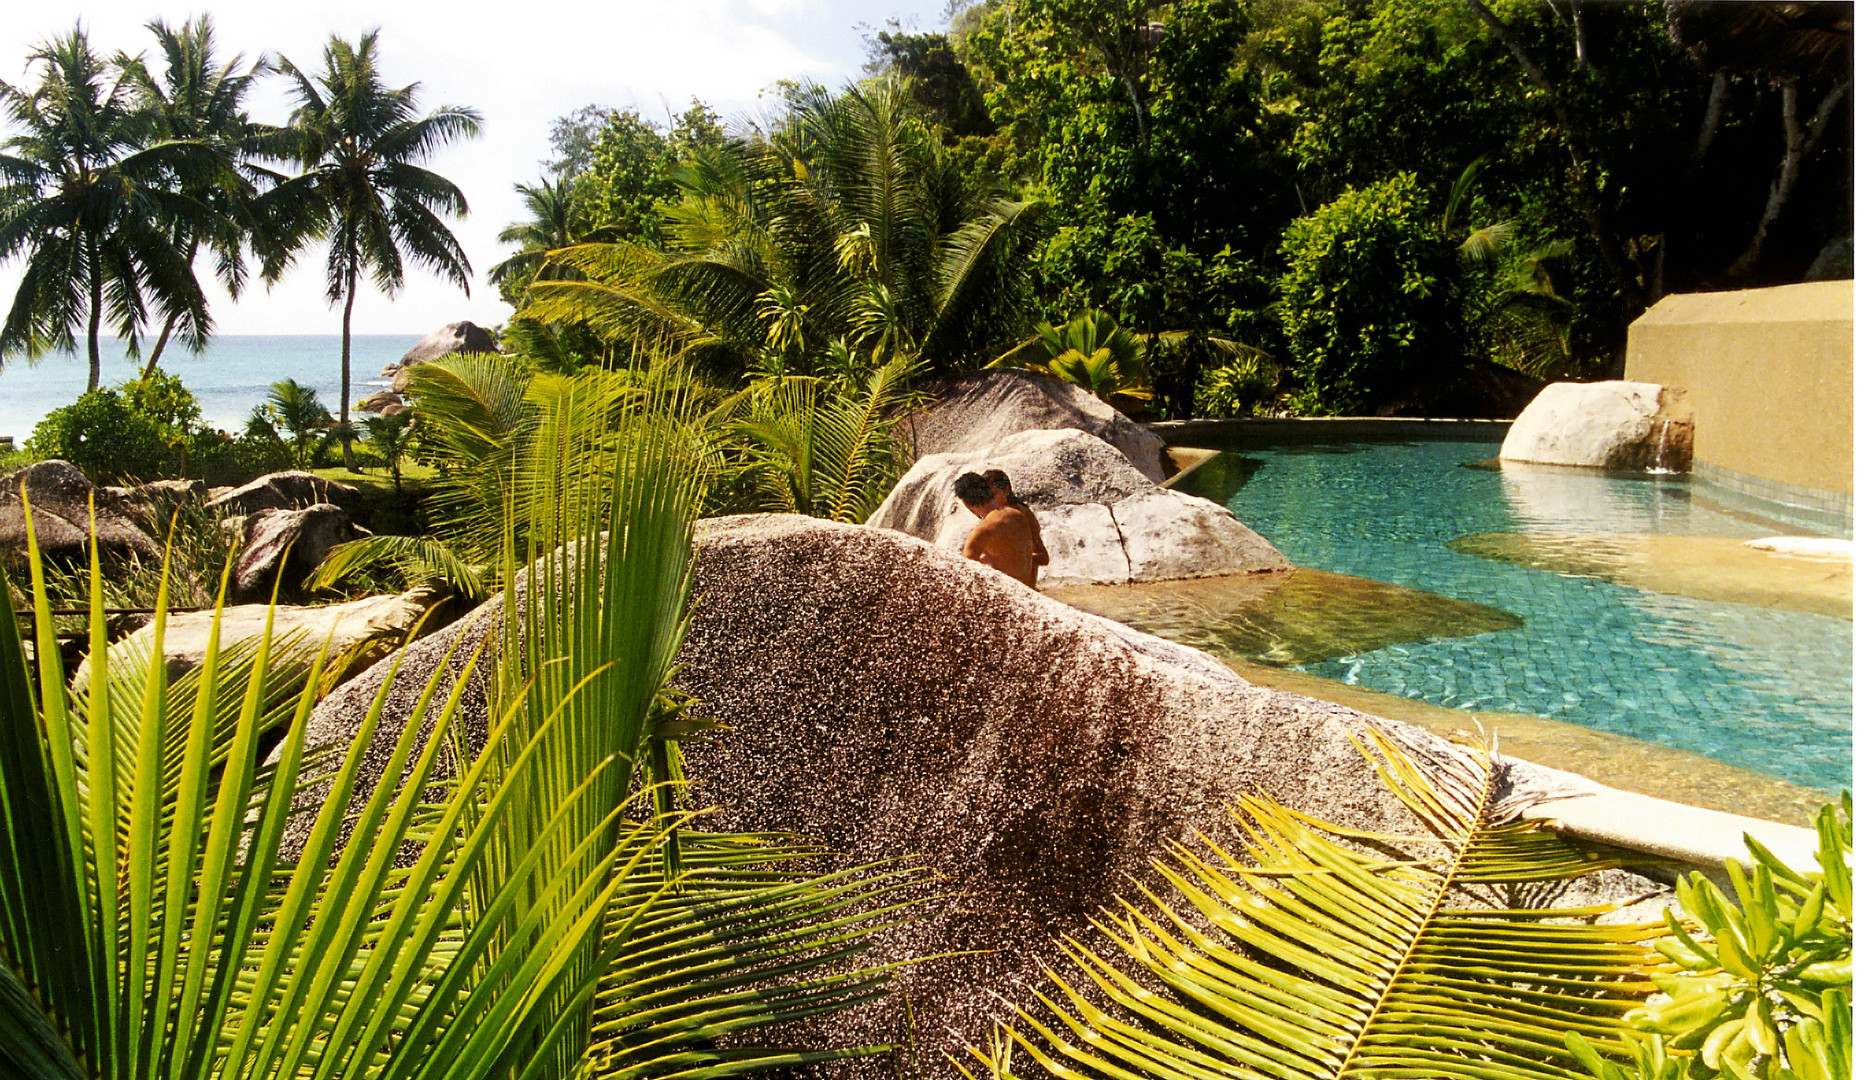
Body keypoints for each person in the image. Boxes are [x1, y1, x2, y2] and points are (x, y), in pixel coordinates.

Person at [953, 471, 1042, 588]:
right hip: (1028, 589)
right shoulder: (1018, 515)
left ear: (966, 503)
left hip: (1009, 593)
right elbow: (1011, 554)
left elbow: (963, 571)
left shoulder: (982, 531)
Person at [984, 469, 1049, 575]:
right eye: (987, 496)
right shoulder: (997, 514)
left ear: (1007, 489)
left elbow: (1043, 557)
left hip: (1024, 585)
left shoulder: (1021, 514)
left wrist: (1006, 559)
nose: (990, 500)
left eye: (994, 494)